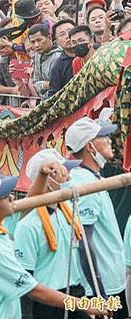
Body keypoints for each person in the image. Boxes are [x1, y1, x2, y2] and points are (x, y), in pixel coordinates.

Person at [0, 173, 104, 319]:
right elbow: (34, 291)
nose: (13, 198)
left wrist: (42, 174)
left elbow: (29, 201)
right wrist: (84, 305)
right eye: (6, 197)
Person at [63, 115, 128, 318]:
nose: (109, 140)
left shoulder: (92, 178)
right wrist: (100, 294)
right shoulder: (85, 184)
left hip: (110, 284)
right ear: (90, 147)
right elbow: (83, 242)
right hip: (99, 290)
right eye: (103, 137)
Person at [14, 149, 89, 319]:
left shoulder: (68, 210)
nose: (70, 176)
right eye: (63, 172)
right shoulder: (28, 225)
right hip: (47, 303)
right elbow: (25, 284)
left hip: (75, 293)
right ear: (48, 180)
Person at [27, 24, 60, 99]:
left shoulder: (59, 57)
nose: (36, 45)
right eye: (33, 42)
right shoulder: (37, 55)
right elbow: (35, 82)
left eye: (39, 40)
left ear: (49, 38)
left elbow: (57, 86)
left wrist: (44, 85)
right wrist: (45, 85)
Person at [47, 19, 76, 96]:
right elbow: (54, 93)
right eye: (62, 34)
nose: (67, 36)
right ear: (57, 42)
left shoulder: (90, 53)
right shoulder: (58, 66)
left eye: (70, 31)